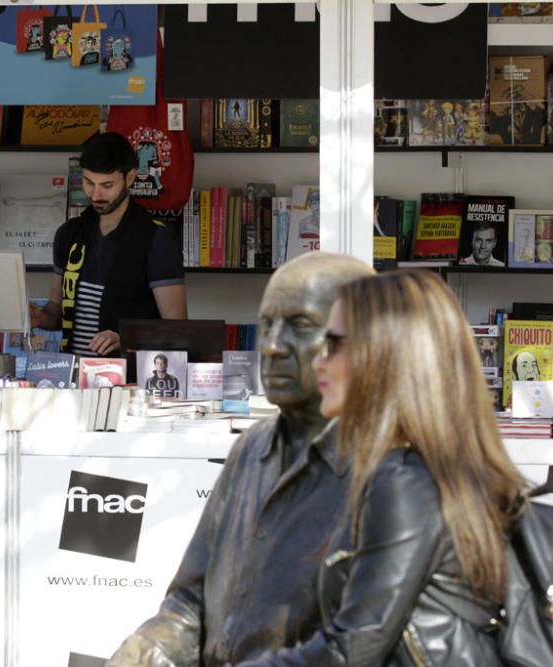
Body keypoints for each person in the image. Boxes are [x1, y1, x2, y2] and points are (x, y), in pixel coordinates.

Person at [230, 269, 525, 666]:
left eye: (333, 343)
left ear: (385, 356)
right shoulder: (443, 470)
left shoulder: (403, 480)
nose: (319, 359)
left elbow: (352, 647)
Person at [108, 251, 374, 666]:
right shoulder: (251, 449)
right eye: (267, 325)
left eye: (300, 326)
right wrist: (149, 651)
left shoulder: (389, 470)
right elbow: (190, 600)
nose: (270, 346)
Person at [29, 132, 186, 357]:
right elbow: (57, 311)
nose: (96, 194)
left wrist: (127, 339)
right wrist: (38, 317)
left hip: (127, 381)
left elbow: (177, 329)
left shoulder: (156, 239)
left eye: (107, 185)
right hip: (73, 378)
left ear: (130, 178)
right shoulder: (69, 234)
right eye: (88, 183)